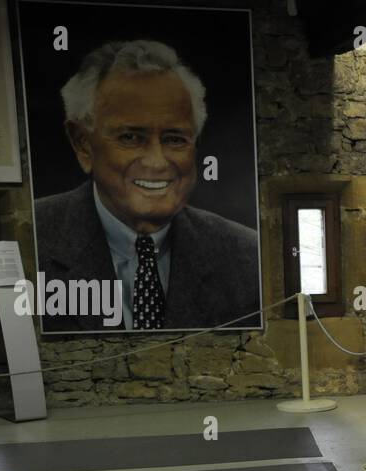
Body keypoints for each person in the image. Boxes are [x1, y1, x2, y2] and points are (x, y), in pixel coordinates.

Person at [34, 39, 259, 332]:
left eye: (175, 139)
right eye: (131, 137)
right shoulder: (33, 240)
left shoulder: (245, 256)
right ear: (83, 144)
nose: (156, 162)